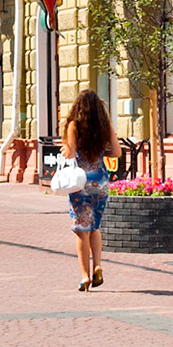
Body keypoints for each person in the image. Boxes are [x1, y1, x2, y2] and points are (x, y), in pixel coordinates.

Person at [62, 89, 121, 292]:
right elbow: (117, 152)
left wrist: (66, 148)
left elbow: (69, 153)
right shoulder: (105, 127)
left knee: (81, 231)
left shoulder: (74, 126)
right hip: (101, 182)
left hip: (81, 182)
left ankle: (85, 276)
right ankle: (97, 265)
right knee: (94, 226)